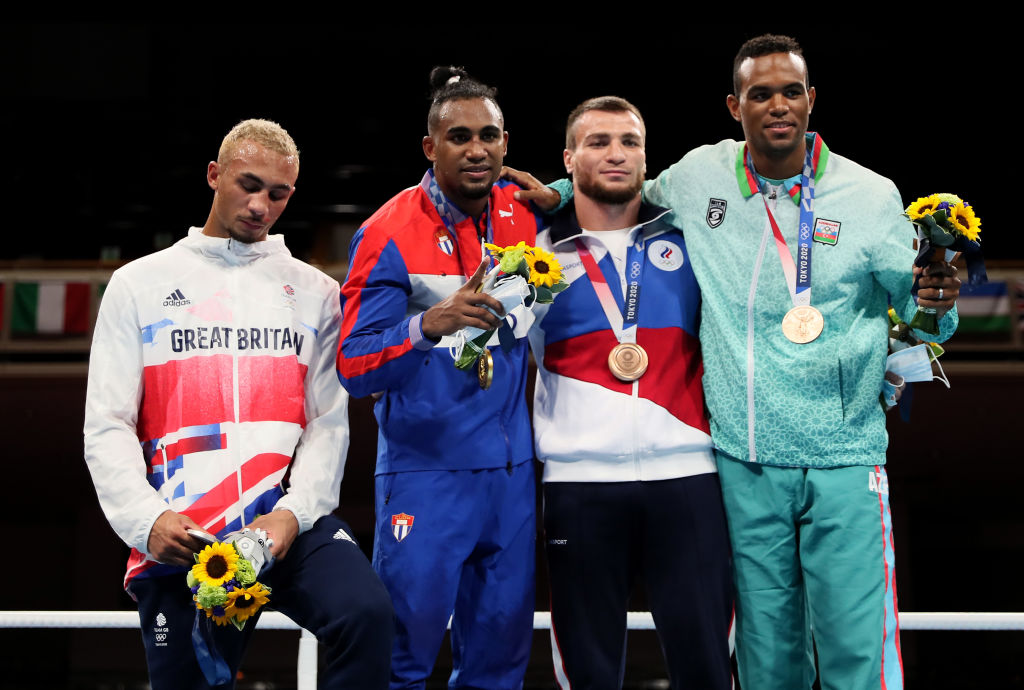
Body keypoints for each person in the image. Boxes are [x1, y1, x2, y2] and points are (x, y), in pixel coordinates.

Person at [514, 34, 962, 690]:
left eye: (789, 92)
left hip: (844, 458)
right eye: (759, 93)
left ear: (811, 100)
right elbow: (618, 183)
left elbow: (924, 316)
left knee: (855, 653)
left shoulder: (871, 196)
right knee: (764, 659)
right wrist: (555, 196)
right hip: (744, 463)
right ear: (735, 106)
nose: (776, 105)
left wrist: (937, 302)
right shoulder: (698, 179)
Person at [83, 118, 394, 689]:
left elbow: (328, 423)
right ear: (213, 175)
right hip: (185, 533)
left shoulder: (316, 292)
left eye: (277, 194)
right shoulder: (137, 285)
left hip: (285, 522)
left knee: (367, 615)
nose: (260, 205)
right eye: (247, 185)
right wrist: (146, 521)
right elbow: (107, 426)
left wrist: (293, 514)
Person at [336, 67, 544, 689]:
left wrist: (556, 188)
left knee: (500, 664)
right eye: (459, 137)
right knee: (402, 660)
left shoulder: (526, 216)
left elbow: (600, 189)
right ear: (431, 147)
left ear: (506, 144)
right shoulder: (387, 230)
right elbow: (353, 365)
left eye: (489, 136)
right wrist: (425, 325)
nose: (476, 149)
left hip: (511, 478)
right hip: (426, 474)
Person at [528, 96, 733, 689]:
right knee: (589, 676)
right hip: (578, 486)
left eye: (629, 142)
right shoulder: (533, 257)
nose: (616, 154)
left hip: (689, 480)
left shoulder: (694, 241)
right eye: (597, 142)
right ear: (568, 160)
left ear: (647, 157)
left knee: (707, 671)